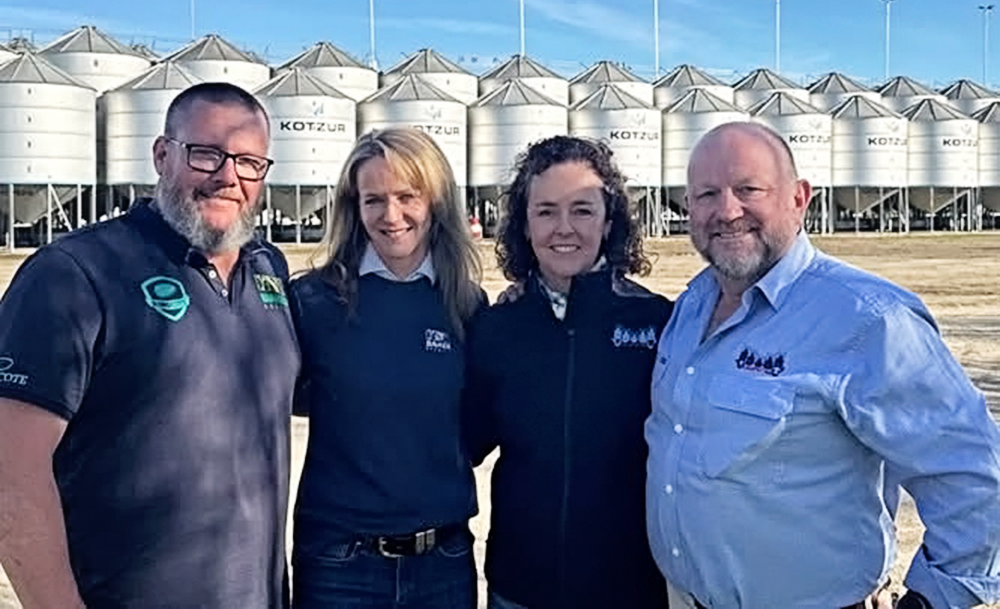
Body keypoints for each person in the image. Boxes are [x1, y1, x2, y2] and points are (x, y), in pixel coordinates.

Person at [646, 121, 1000, 609]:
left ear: (799, 199)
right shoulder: (690, 307)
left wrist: (933, 598)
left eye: (748, 189)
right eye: (707, 194)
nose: (727, 211)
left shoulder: (865, 319)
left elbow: (973, 472)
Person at [0, 82, 300, 608]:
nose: (229, 177)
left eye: (251, 163)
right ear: (162, 154)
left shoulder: (268, 268)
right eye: (206, 154)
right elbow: (10, 469)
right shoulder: (77, 274)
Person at [465, 135, 673, 609]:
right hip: (520, 589)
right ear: (523, 223)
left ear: (609, 219)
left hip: (630, 590)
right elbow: (464, 443)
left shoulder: (657, 323)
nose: (564, 228)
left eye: (582, 210)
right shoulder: (496, 329)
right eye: (546, 211)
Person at [289, 127, 483, 609]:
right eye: (373, 199)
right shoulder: (314, 301)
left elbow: (483, 422)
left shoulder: (466, 304)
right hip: (340, 566)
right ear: (353, 207)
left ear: (436, 201)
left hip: (444, 563)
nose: (390, 216)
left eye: (406, 196)